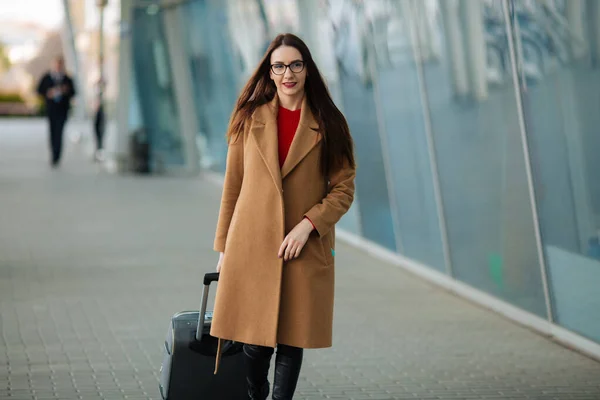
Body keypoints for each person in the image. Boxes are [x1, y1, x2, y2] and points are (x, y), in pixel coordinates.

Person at [210, 33, 356, 399]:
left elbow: (343, 189)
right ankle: (256, 392)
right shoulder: (248, 119)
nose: (287, 73)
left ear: (307, 69)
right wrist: (224, 247)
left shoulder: (330, 123)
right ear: (270, 72)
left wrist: (308, 226)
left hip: (302, 247)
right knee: (255, 344)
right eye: (279, 66)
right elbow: (233, 187)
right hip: (253, 245)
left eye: (295, 64)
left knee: (292, 340)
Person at [36, 56, 76, 167]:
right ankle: (53, 153)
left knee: (60, 131)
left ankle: (57, 155)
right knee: (53, 132)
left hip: (62, 110)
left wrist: (65, 91)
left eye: (60, 64)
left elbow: (73, 92)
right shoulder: (47, 77)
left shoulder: (67, 79)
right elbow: (39, 90)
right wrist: (49, 93)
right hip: (51, 109)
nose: (58, 67)